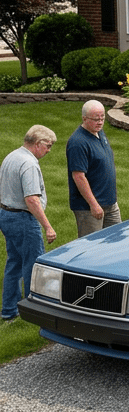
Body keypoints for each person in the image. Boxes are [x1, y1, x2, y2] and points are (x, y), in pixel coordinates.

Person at [0, 125, 58, 321]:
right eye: (48, 146)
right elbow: (32, 200)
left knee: (14, 263)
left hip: (6, 215)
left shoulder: (12, 156)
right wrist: (48, 226)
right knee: (34, 266)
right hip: (23, 219)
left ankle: (9, 311)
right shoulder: (29, 164)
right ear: (38, 143)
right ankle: (34, 313)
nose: (49, 150)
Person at [67, 100, 121, 237]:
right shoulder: (78, 143)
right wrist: (94, 205)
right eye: (96, 119)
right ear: (84, 118)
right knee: (92, 247)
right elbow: (78, 176)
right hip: (89, 208)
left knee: (118, 240)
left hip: (110, 203)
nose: (100, 122)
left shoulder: (99, 133)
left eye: (102, 118)